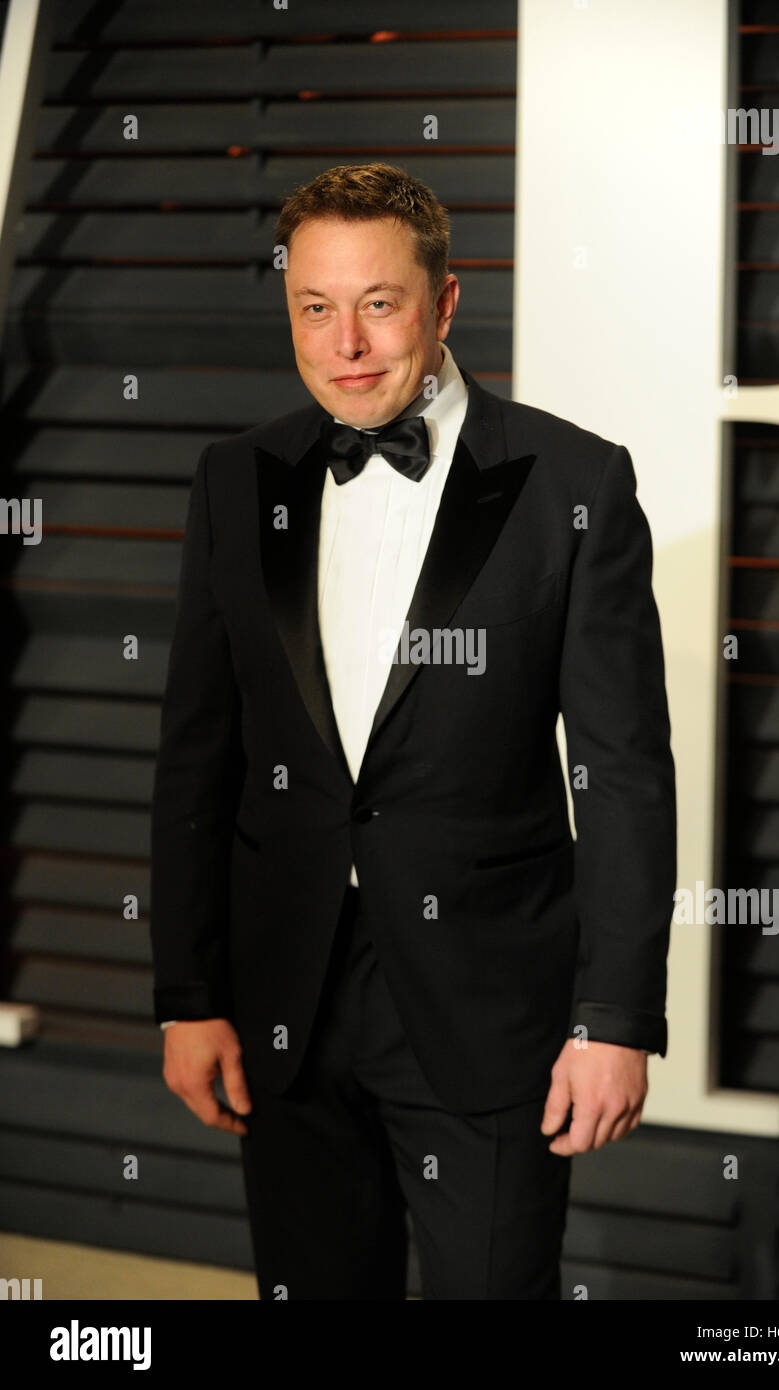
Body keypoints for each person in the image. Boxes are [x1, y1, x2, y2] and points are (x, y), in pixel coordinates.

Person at [149, 162, 676, 1300]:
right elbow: (197, 758)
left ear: (443, 304)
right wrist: (187, 992)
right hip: (287, 995)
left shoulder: (572, 481)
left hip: (489, 1008)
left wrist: (616, 1017)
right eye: (314, 307)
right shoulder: (234, 480)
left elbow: (623, 772)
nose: (345, 342)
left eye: (378, 305)